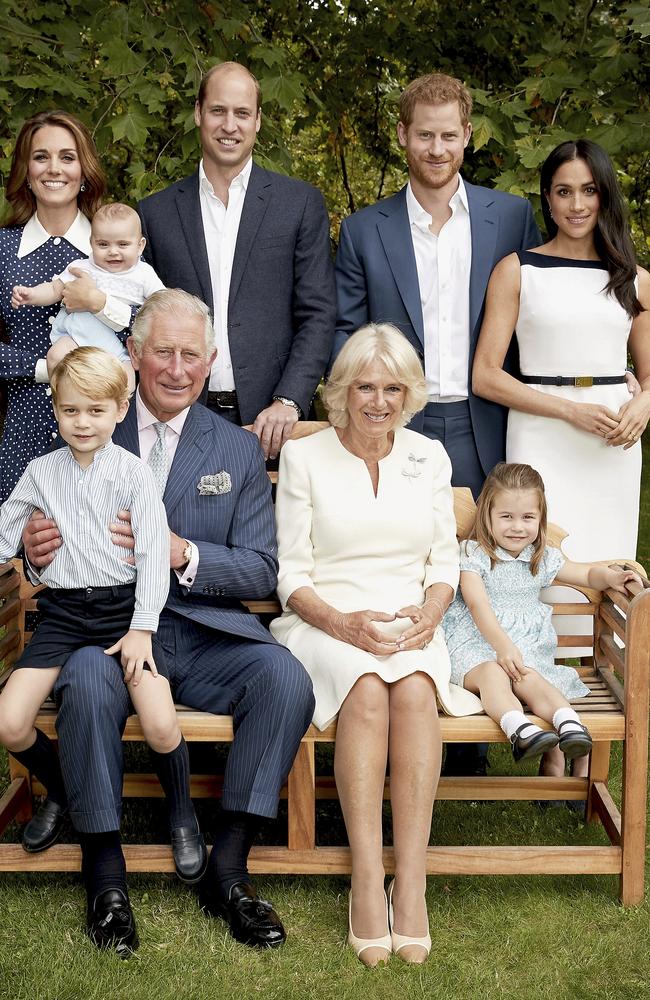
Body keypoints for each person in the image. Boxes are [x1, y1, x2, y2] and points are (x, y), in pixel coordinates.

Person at [23, 289, 315, 957]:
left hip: (207, 631)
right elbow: (37, 543)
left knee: (285, 679)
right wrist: (35, 553)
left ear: (210, 362)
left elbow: (260, 570)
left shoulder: (236, 451)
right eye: (163, 352)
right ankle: (105, 878)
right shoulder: (87, 425)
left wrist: (184, 552)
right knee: (89, 687)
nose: (178, 369)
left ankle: (229, 870)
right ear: (133, 354)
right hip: (108, 628)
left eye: (192, 355)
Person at [333, 73, 540, 777]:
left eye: (449, 134)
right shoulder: (365, 229)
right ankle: (400, 715)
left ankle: (477, 737)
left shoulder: (510, 218)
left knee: (483, 565)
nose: (437, 147)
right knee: (409, 562)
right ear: (403, 136)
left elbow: (536, 317)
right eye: (424, 133)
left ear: (468, 136)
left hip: (488, 422)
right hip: (403, 424)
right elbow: (347, 330)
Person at [270, 323, 482, 967]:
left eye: (393, 388)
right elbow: (291, 576)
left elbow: (444, 562)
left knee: (416, 690)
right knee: (364, 690)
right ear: (341, 390)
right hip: (323, 621)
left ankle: (409, 882)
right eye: (365, 386)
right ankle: (366, 878)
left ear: (410, 393)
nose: (378, 401)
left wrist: (430, 613)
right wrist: (342, 624)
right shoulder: (306, 457)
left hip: (409, 619)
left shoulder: (428, 456)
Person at [472, 139, 650, 781]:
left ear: (605, 195)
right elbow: (488, 375)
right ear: (546, 198)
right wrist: (567, 408)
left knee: (603, 578)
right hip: (544, 437)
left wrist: (645, 402)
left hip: (611, 448)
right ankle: (549, 730)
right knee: (538, 579)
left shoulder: (632, 279)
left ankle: (589, 747)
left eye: (589, 190)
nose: (577, 204)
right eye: (563, 191)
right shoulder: (518, 268)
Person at [0, 347, 206, 891]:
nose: (83, 422)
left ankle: (182, 813)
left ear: (120, 409)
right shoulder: (42, 472)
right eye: (70, 411)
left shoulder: (133, 474)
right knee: (10, 720)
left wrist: (141, 628)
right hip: (64, 614)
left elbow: (150, 557)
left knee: (161, 723)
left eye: (96, 410)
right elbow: (7, 531)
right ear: (56, 409)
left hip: (123, 612)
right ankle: (67, 788)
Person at [137, 61, 335, 459]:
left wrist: (290, 401)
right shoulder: (154, 214)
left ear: (258, 120)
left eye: (242, 113)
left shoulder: (298, 204)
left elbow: (318, 312)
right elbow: (142, 318)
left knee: (267, 524)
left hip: (273, 422)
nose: (230, 125)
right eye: (218, 111)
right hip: (178, 416)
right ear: (198, 113)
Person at [443, 462, 640, 761]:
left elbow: (586, 576)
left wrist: (611, 578)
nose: (517, 527)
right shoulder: (474, 555)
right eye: (506, 517)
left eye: (527, 517)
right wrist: (503, 646)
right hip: (475, 647)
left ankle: (569, 724)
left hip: (525, 653)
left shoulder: (541, 557)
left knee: (530, 678)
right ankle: (518, 729)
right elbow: (476, 604)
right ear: (488, 516)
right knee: (494, 675)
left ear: (540, 518)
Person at [0, 110, 133, 502]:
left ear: (84, 171)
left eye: (67, 157)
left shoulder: (117, 245)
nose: (53, 168)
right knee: (21, 549)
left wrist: (100, 302)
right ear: (26, 169)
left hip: (104, 431)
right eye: (41, 157)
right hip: (24, 426)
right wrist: (45, 368)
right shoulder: (3, 250)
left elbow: (147, 336)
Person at [12, 203, 164, 392]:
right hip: (75, 339)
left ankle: (113, 415)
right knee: (55, 356)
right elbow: (54, 289)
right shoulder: (81, 267)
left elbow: (162, 303)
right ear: (91, 242)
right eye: (103, 244)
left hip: (116, 349)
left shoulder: (144, 274)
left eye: (123, 244)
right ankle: (63, 399)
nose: (113, 251)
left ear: (140, 246)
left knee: (128, 382)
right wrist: (32, 294)